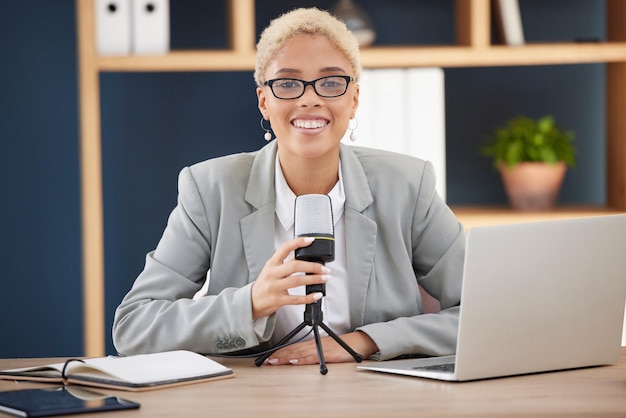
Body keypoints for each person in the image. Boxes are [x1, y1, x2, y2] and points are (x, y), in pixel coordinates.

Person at [112, 7, 465, 365]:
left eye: (330, 83)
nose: (309, 98)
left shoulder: (407, 185)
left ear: (354, 98)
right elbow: (134, 326)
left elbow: (483, 311)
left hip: (377, 395)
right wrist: (251, 303)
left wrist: (365, 341)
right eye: (288, 83)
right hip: (255, 397)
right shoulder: (209, 189)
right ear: (264, 101)